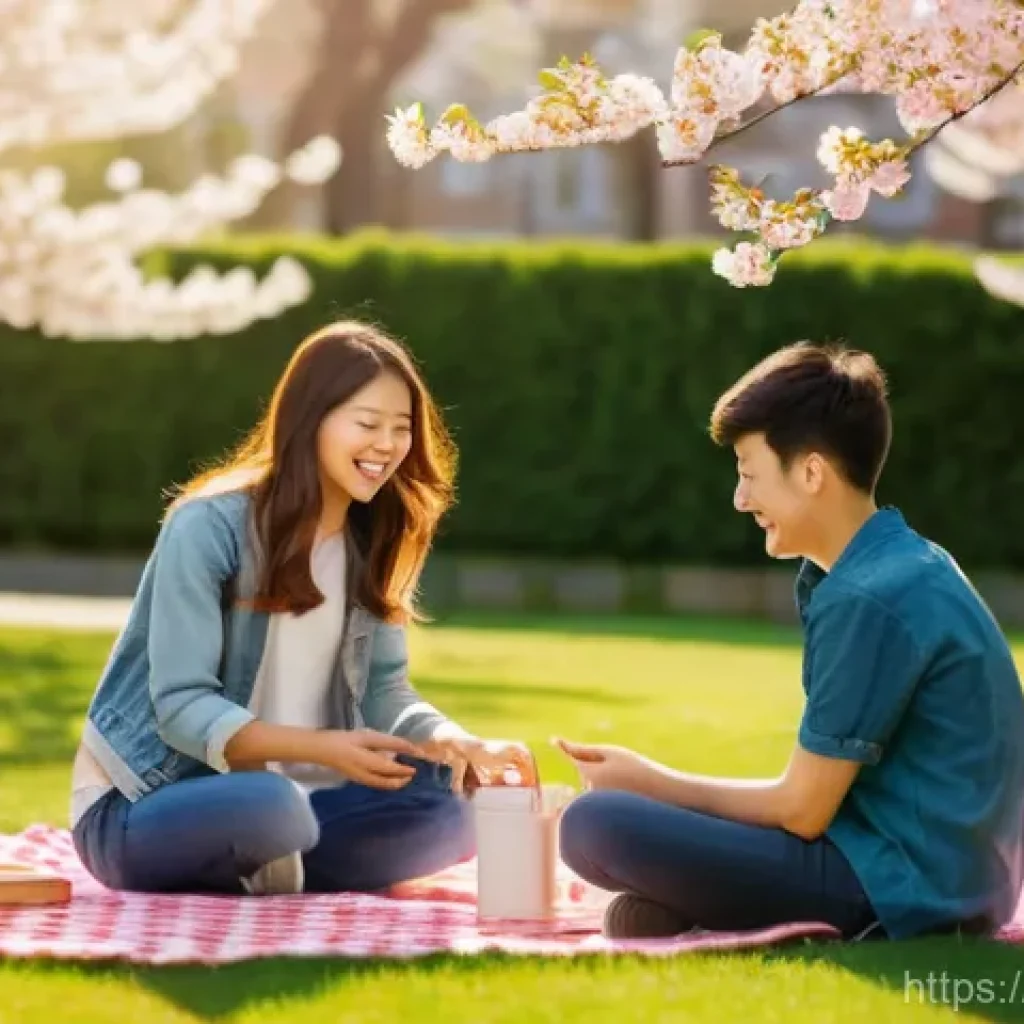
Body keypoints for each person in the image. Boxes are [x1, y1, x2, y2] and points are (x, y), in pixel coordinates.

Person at [557, 341, 1024, 942]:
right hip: (943, 875)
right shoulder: (906, 563)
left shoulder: (871, 596)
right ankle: (699, 907)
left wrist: (654, 782)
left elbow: (802, 809)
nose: (740, 499)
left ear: (810, 472)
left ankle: (729, 906)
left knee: (595, 823)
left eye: (750, 475)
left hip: (902, 889)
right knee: (636, 829)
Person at [70, 320, 530, 896]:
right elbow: (181, 709)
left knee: (462, 806)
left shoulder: (373, 542)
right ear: (308, 421)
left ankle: (264, 868)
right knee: (269, 805)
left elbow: (387, 695)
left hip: (301, 803)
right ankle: (285, 863)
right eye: (367, 424)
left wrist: (458, 743)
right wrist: (322, 748)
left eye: (401, 429)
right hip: (145, 804)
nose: (386, 446)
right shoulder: (209, 526)